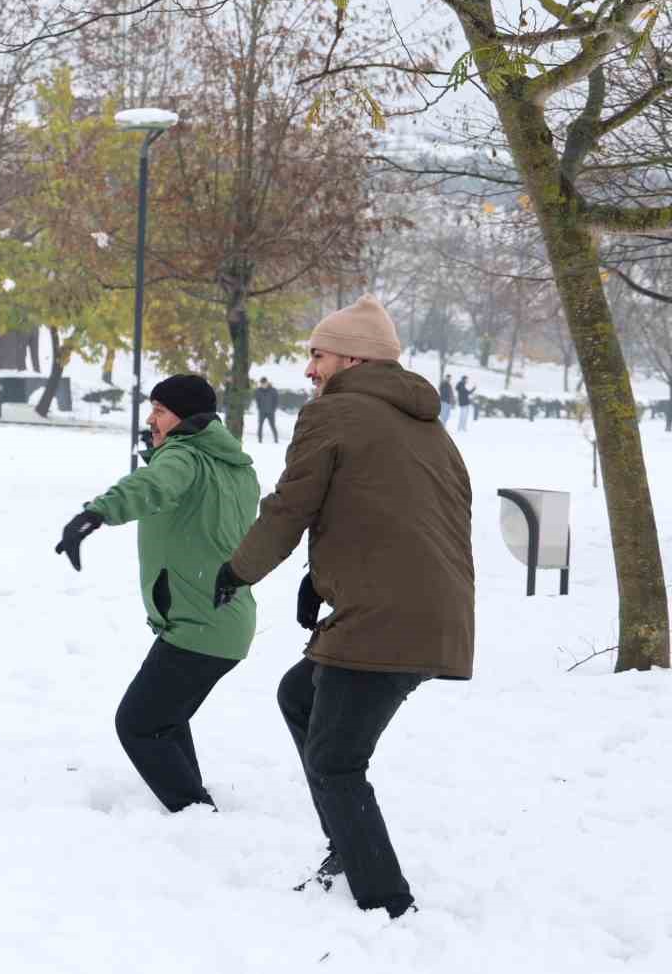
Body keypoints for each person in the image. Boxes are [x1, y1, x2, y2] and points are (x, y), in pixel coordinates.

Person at [212, 294, 473, 919]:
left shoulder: (333, 415)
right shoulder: (428, 427)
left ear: (353, 359)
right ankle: (348, 852)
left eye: (318, 355)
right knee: (300, 695)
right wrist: (320, 575)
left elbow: (291, 505)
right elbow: (387, 513)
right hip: (428, 614)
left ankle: (385, 902)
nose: (309, 370)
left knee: (335, 759)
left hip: (383, 618)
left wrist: (238, 569)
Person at [55, 375, 259, 813]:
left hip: (199, 624)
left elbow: (152, 485)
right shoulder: (237, 469)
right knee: (164, 720)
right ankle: (195, 809)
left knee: (138, 724)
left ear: (186, 419)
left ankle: (193, 811)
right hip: (224, 617)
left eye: (161, 411)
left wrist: (95, 514)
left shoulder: (183, 458)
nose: (151, 419)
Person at [254, 377, 281, 443]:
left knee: (273, 426)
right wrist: (259, 408)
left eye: (264, 383)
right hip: (262, 412)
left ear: (267, 383)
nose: (263, 385)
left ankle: (276, 440)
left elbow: (276, 400)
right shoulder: (258, 391)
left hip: (270, 412)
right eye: (262, 384)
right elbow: (257, 400)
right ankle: (259, 440)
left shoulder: (273, 390)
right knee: (260, 426)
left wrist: (273, 409)